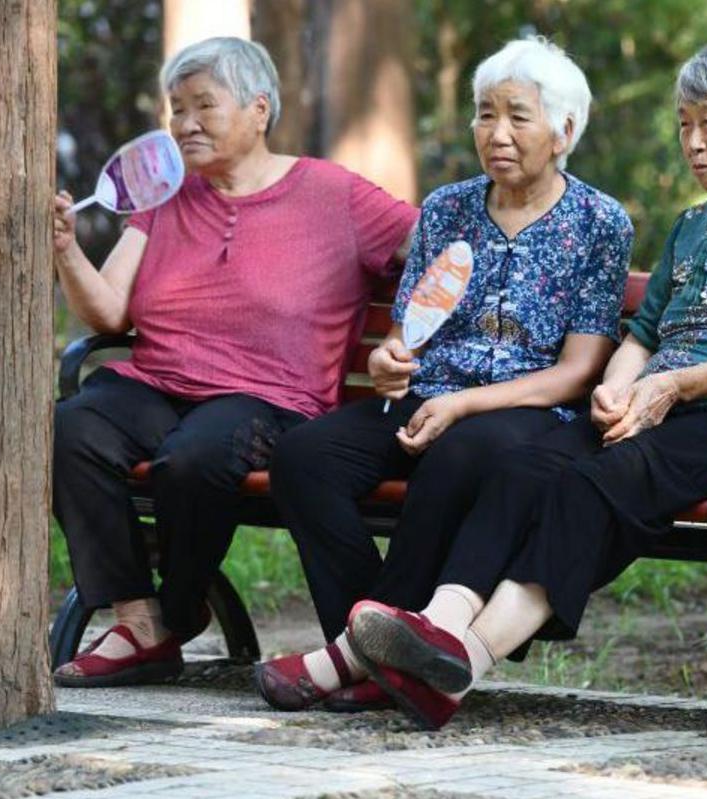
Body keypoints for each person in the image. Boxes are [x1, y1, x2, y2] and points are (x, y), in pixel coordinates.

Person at [338, 42, 707, 731]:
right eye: (683, 125)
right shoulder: (694, 225)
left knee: (597, 482)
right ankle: (441, 624)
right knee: (527, 463)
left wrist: (670, 387)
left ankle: (460, 663)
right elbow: (643, 332)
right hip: (660, 410)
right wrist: (618, 389)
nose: (692, 143)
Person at [254, 37, 633, 714]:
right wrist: (387, 359)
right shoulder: (448, 208)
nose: (497, 133)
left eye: (519, 116)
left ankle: (354, 657)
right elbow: (406, 332)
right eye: (486, 115)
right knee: (305, 458)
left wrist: (465, 406)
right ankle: (384, 647)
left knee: (461, 450)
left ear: (565, 130)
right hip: (428, 394)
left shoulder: (600, 223)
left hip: (526, 408)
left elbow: (578, 373)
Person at [51, 37, 418, 687]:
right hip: (159, 381)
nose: (184, 124)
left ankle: (179, 607)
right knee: (72, 427)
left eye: (203, 106)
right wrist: (65, 249)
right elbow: (109, 314)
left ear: (258, 109)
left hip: (269, 400)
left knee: (195, 457)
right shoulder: (165, 195)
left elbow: (438, 246)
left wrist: (410, 332)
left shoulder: (335, 195)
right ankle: (139, 622)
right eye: (176, 108)